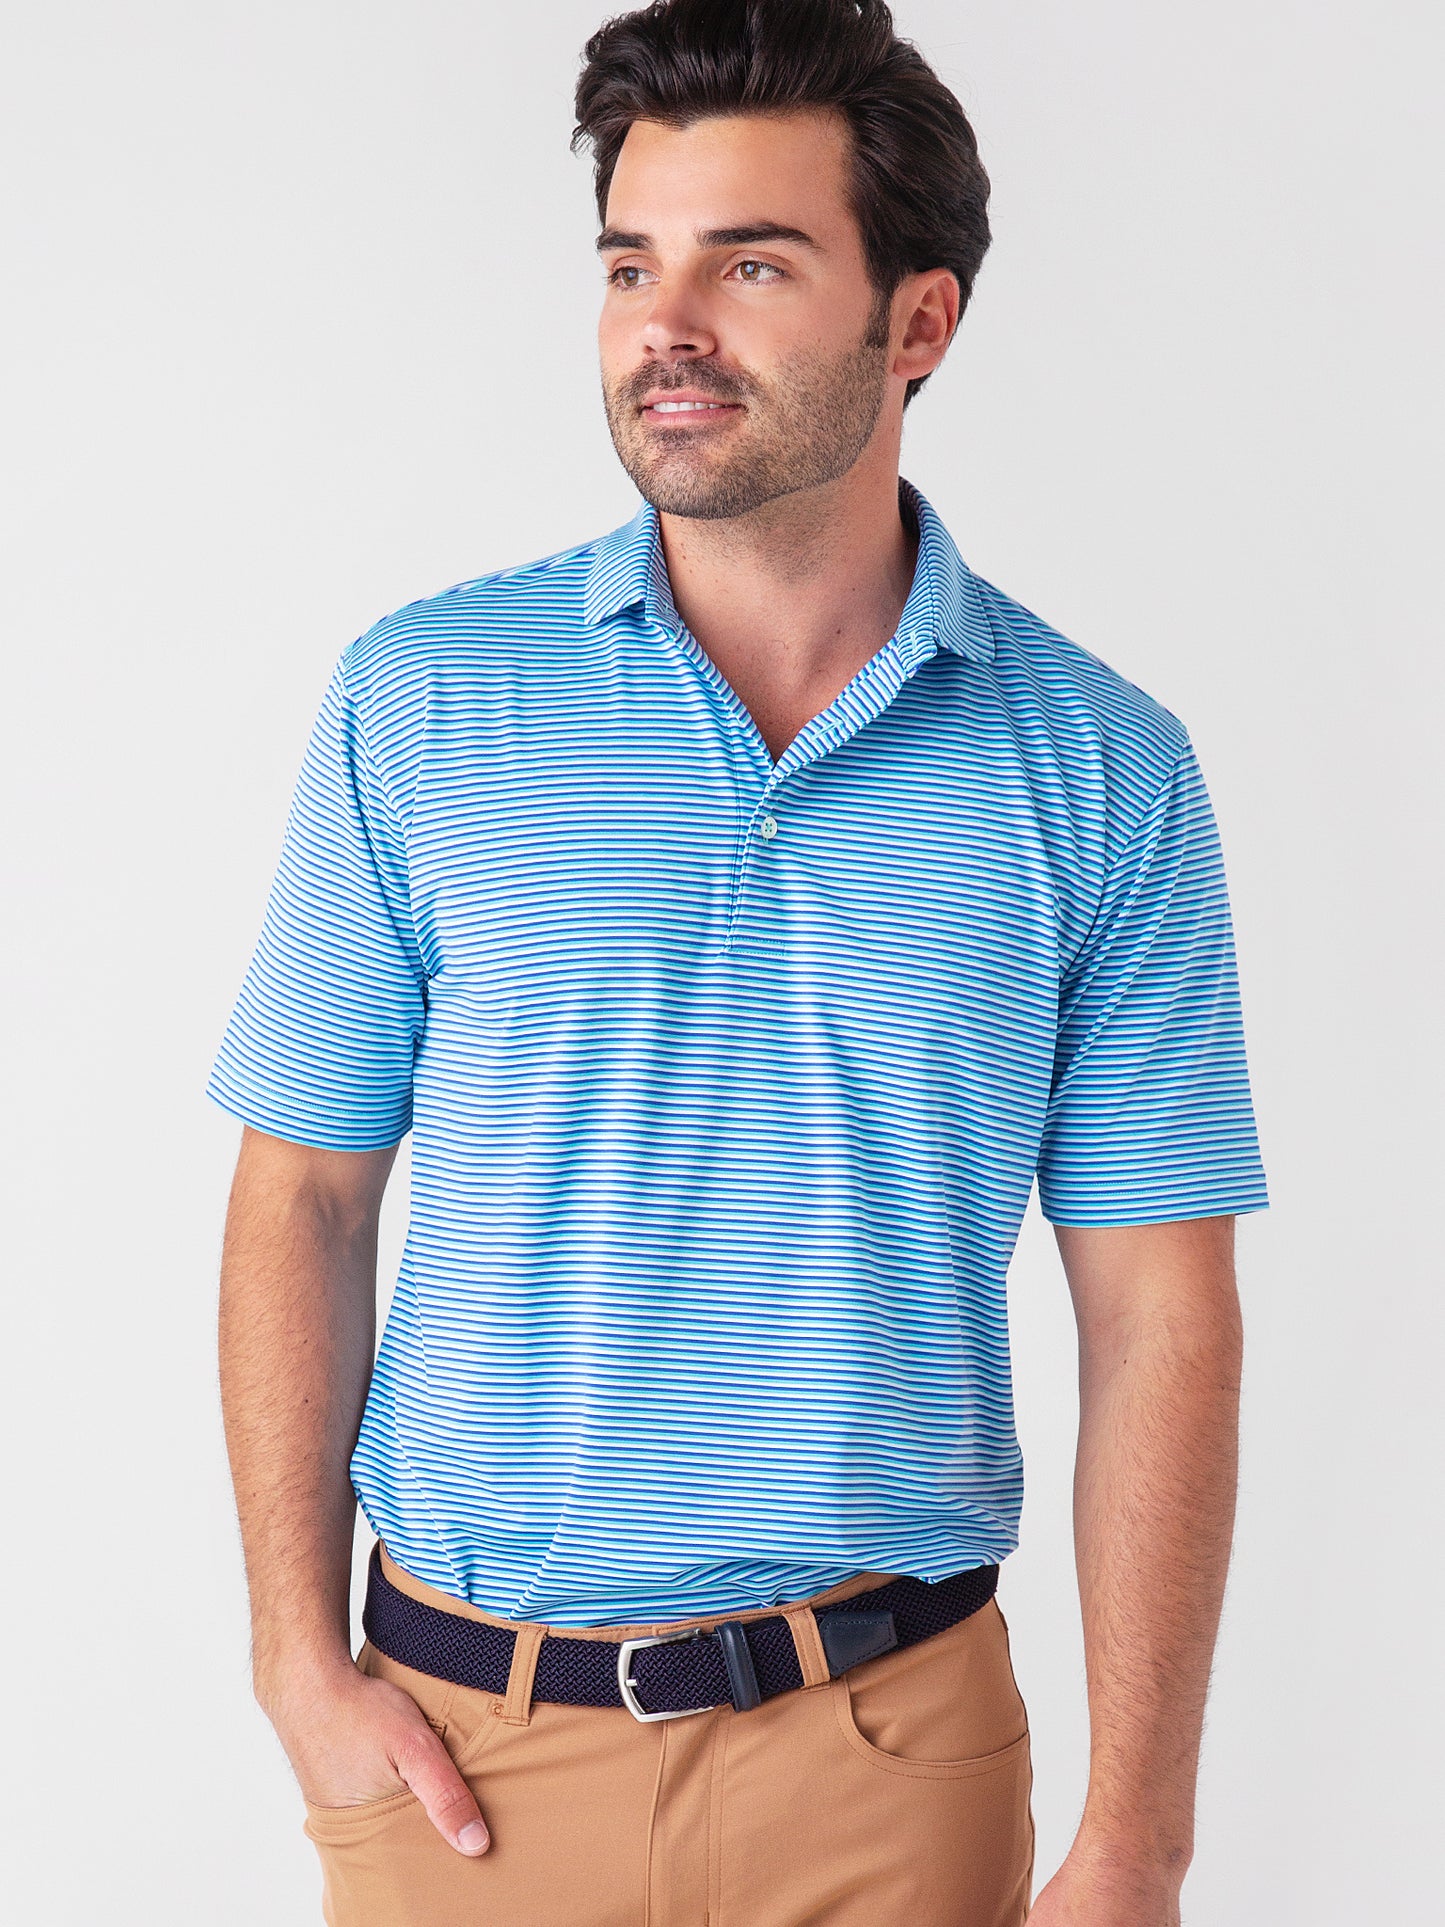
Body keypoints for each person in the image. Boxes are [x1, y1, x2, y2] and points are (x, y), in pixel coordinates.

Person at [207, 2, 1269, 1922]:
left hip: (891, 1760)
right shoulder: (425, 700)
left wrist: (1136, 1842)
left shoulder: (1103, 769)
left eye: (750, 266)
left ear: (916, 322)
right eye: (632, 264)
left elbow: (1157, 1317)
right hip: (467, 1763)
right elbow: (302, 1194)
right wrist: (294, 1658)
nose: (664, 327)